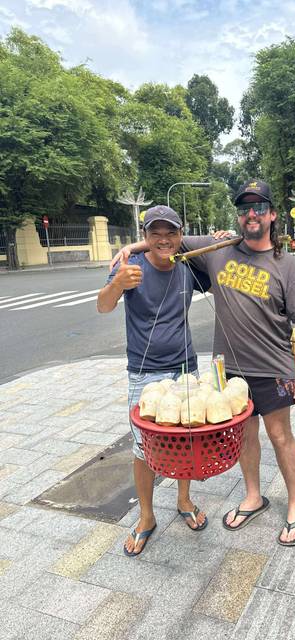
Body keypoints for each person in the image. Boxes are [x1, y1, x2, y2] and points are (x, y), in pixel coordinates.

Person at [114, 180, 295, 546]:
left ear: (271, 215)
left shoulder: (286, 265)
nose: (251, 214)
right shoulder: (217, 249)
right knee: (246, 436)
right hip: (231, 370)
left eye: (258, 207)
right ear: (238, 216)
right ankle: (253, 496)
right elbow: (166, 241)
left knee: (280, 435)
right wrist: (131, 246)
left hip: (273, 368)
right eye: (244, 208)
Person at [97, 205, 211, 557]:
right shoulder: (130, 267)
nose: (164, 240)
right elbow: (103, 306)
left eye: (171, 233)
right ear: (145, 236)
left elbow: (221, 250)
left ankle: (184, 500)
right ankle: (146, 517)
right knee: (143, 449)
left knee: (185, 440)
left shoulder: (189, 265)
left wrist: (218, 237)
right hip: (144, 373)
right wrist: (117, 283)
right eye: (155, 234)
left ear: (180, 235)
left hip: (184, 367)